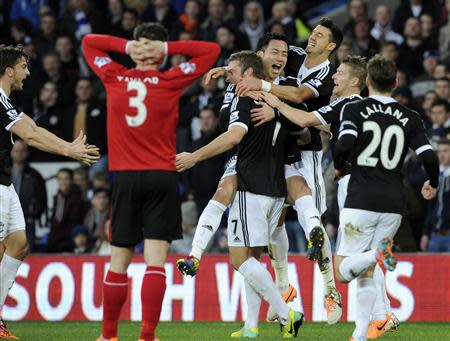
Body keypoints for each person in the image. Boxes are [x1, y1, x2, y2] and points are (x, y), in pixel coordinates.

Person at [82, 22, 220, 341]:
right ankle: (147, 336)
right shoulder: (171, 78)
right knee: (155, 262)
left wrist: (127, 47)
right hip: (163, 175)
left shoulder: (113, 75)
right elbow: (210, 51)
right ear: (160, 54)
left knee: (119, 261)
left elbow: (90, 42)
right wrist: (168, 51)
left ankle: (108, 336)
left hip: (126, 177)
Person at [260, 55, 401, 337]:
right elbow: (326, 126)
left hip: (354, 182)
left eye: (340, 73)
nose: (333, 77)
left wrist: (274, 102)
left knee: (352, 258)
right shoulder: (360, 106)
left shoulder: (346, 104)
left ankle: (378, 314)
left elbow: (304, 118)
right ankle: (383, 315)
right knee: (364, 255)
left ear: (355, 82)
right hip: (376, 183)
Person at [177, 50, 304, 338]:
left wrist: (195, 156)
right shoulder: (277, 100)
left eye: (232, 72)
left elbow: (234, 136)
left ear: (248, 74)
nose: (228, 78)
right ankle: (251, 327)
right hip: (275, 189)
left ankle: (288, 314)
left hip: (251, 188)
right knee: (252, 260)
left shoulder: (244, 97)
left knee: (238, 260)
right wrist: (225, 70)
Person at [333, 55, 439, 341]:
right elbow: (429, 156)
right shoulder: (411, 117)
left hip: (361, 198)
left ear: (367, 81)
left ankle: (378, 254)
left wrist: (339, 166)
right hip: (393, 203)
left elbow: (343, 143)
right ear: (394, 83)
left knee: (342, 272)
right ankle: (360, 335)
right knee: (366, 270)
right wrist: (433, 182)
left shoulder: (355, 108)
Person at [0, 44, 99, 339]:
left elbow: (31, 128)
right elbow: (29, 133)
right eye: (23, 66)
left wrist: (67, 148)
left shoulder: (5, 103)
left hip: (5, 184)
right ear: (8, 70)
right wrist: (69, 149)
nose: (27, 72)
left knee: (19, 244)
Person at [10, 139, 47, 251]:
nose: (19, 154)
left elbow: (42, 199)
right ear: (11, 152)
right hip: (4, 219)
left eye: (22, 151)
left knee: (26, 254)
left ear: (27, 152)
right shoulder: (3, 173)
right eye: (16, 151)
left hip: (26, 221)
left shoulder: (35, 175)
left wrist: (33, 215)